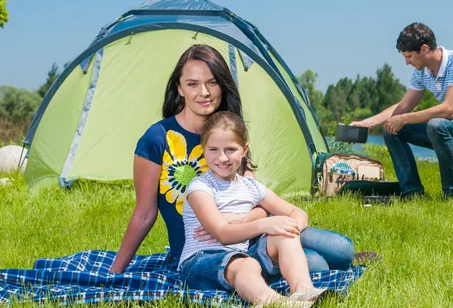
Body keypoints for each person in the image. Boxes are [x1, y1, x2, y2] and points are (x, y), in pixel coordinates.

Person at [110, 44, 354, 274]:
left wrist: (241, 220)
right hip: (203, 253)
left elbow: (256, 202)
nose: (204, 92)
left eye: (212, 83)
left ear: (222, 86)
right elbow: (144, 213)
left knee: (342, 250)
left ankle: (292, 254)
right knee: (317, 265)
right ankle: (294, 260)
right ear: (179, 88)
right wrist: (116, 270)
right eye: (193, 84)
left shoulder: (228, 132)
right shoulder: (157, 138)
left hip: (255, 238)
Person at [179, 111, 330, 308]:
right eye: (213, 149)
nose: (222, 157)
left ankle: (304, 291)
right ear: (203, 150)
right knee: (247, 264)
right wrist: (263, 223)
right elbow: (222, 234)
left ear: (244, 150)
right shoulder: (200, 187)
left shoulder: (250, 187)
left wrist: (289, 228)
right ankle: (275, 304)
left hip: (243, 259)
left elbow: (299, 214)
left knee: (283, 233)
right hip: (200, 262)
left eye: (230, 149)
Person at [351, 23, 453, 198]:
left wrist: (405, 119)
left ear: (424, 49)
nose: (407, 62)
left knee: (437, 125)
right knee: (392, 129)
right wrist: (367, 123)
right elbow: (403, 107)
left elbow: (448, 109)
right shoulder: (422, 72)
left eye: (409, 56)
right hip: (450, 133)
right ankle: (412, 193)